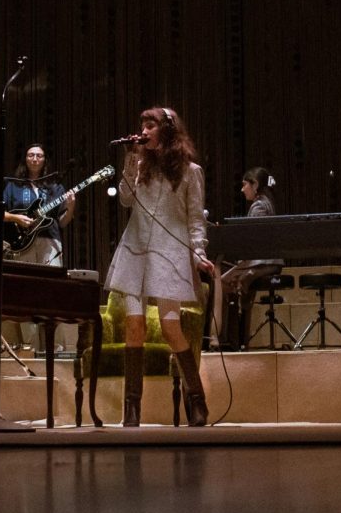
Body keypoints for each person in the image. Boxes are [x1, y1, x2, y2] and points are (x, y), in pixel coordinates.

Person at [105, 106, 214, 427]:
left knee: (170, 328)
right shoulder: (140, 165)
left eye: (150, 125)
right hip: (135, 251)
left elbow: (196, 218)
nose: (144, 129)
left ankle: (197, 401)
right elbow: (125, 199)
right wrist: (129, 159)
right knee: (134, 326)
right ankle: (132, 409)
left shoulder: (190, 171)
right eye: (142, 124)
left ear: (166, 130)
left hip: (170, 254)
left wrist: (197, 252)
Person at [0, 144, 75, 352]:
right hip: (22, 244)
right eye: (31, 155)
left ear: (44, 160)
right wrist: (16, 218)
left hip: (49, 242)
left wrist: (71, 206)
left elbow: (62, 222)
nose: (34, 158)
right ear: (25, 159)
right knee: (26, 292)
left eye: (39, 155)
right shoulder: (13, 185)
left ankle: (55, 347)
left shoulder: (54, 188)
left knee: (53, 292)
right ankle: (31, 348)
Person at [213, 167, 286, 350]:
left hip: (263, 263)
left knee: (222, 283)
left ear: (255, 185)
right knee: (241, 285)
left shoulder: (259, 206)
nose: (242, 189)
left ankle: (223, 339)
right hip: (267, 262)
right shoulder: (267, 202)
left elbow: (253, 242)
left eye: (245, 184)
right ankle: (240, 340)